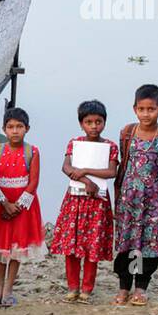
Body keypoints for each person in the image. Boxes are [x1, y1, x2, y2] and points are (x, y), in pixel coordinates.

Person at [49, 100, 119, 303]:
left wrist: (86, 170)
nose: (94, 126)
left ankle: (87, 287)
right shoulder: (75, 144)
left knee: (92, 245)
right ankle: (72, 287)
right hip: (75, 200)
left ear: (104, 123)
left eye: (98, 122)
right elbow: (66, 167)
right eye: (89, 122)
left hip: (98, 202)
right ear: (81, 124)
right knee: (72, 244)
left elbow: (112, 171)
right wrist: (87, 181)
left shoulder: (110, 146)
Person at [113, 84, 158, 305]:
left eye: (151, 109)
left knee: (148, 247)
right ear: (134, 109)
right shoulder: (128, 133)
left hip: (154, 203)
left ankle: (141, 287)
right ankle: (123, 287)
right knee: (127, 245)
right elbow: (123, 163)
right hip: (129, 202)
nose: (146, 114)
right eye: (142, 109)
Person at [0, 106, 45, 306]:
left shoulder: (32, 152)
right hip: (0, 204)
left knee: (16, 249)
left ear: (27, 128)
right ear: (4, 128)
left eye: (19, 126)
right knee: (1, 250)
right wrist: (4, 204)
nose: (15, 131)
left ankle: (9, 289)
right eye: (10, 127)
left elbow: (33, 181)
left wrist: (18, 205)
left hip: (23, 207)